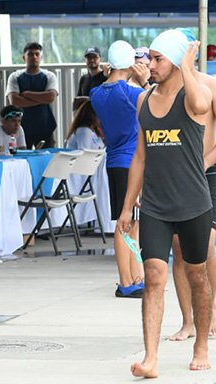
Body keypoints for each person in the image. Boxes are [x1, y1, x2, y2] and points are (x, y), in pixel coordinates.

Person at [119, 30, 213, 378]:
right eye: (149, 58)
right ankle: (151, 357)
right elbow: (140, 157)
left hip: (192, 202)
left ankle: (201, 343)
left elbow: (203, 107)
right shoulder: (144, 100)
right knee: (155, 276)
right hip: (155, 204)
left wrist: (187, 65)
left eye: (158, 59)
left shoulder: (192, 94)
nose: (149, 64)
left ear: (174, 61)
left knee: (197, 275)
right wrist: (128, 207)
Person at [167, 30, 216, 341]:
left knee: (204, 248)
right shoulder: (164, 89)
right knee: (179, 251)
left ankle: (210, 307)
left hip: (205, 174)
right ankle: (187, 320)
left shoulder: (212, 86)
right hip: (174, 177)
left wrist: (208, 162)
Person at [90, 40, 150, 298]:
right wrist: (145, 80)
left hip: (114, 160)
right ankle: (126, 281)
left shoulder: (96, 93)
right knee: (127, 223)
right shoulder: (131, 93)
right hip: (130, 163)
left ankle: (135, 276)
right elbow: (157, 101)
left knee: (131, 223)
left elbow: (109, 83)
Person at [7, 42, 59, 148]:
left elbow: (50, 97)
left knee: (47, 160)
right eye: (30, 54)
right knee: (22, 160)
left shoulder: (49, 76)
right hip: (22, 127)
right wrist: (42, 99)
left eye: (37, 54)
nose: (34, 57)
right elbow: (15, 101)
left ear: (41, 57)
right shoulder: (15, 76)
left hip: (45, 126)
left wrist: (27, 94)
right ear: (24, 57)